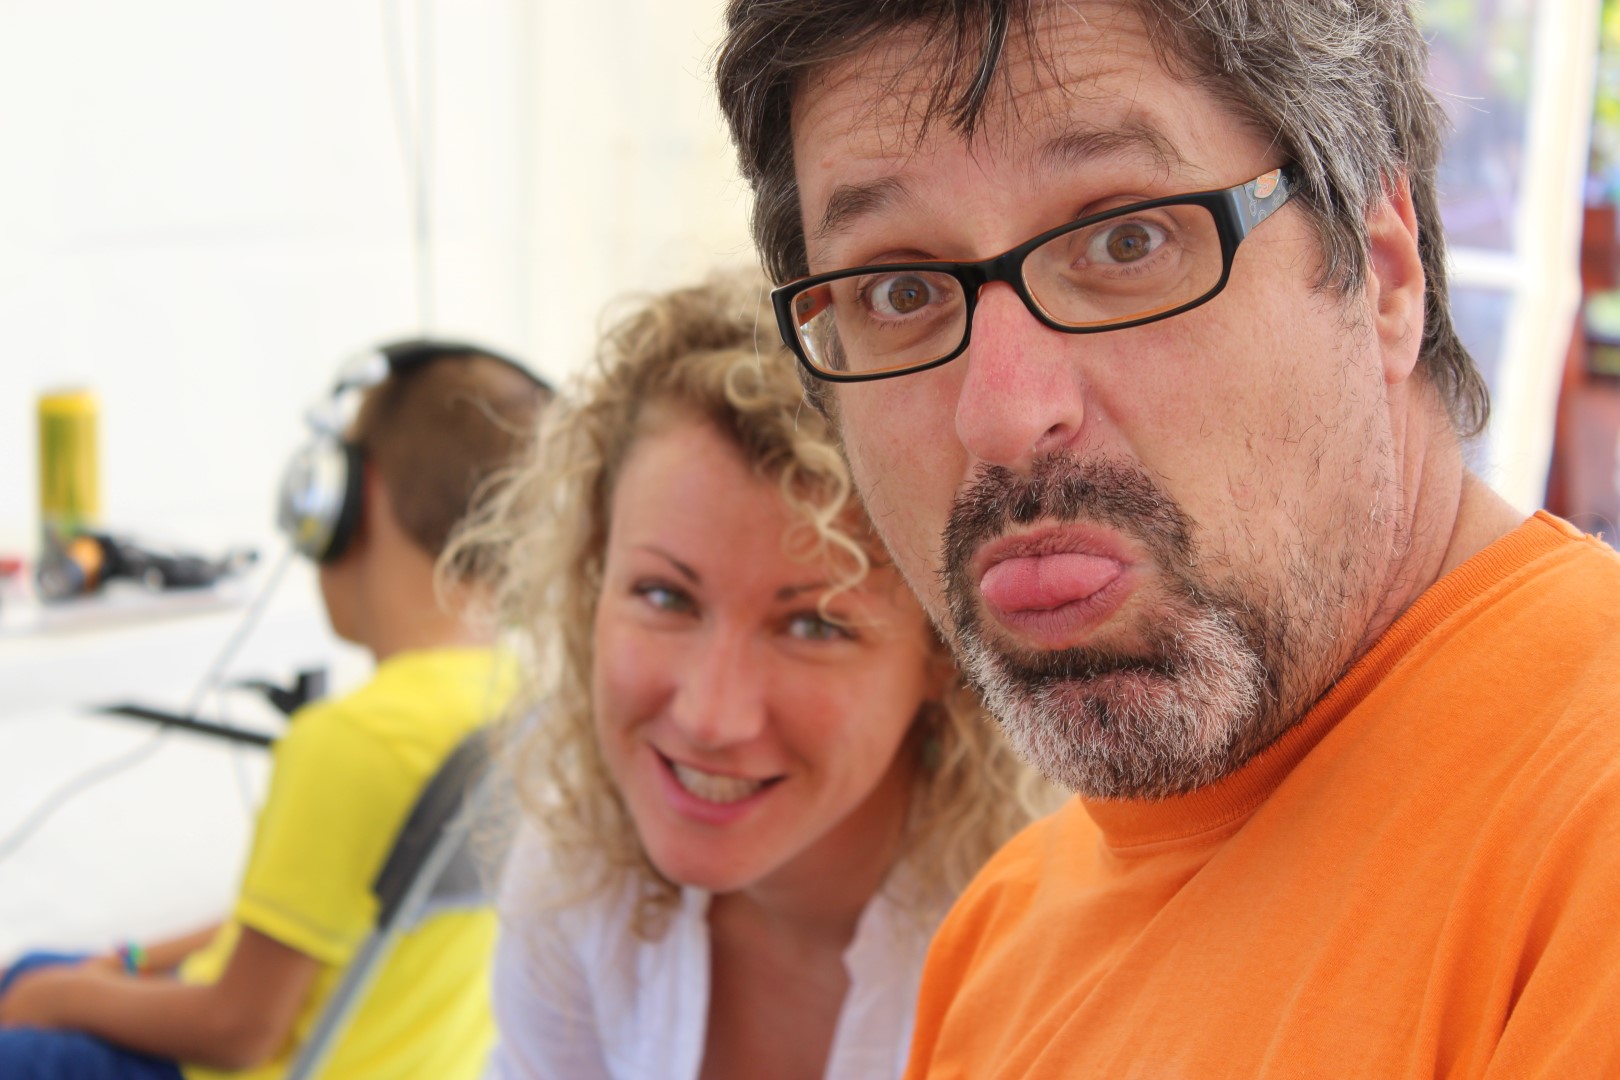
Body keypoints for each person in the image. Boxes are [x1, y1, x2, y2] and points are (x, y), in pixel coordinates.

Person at [715, 2, 1620, 1076]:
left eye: (1126, 240)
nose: (1001, 415)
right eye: (897, 290)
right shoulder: (998, 941)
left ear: (1381, 270)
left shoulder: (1588, 826)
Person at [453, 275, 1055, 1080]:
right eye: (664, 596)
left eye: (813, 625)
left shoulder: (1049, 958)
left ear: (948, 653)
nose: (710, 717)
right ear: (591, 584)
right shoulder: (577, 876)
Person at [0, 341, 550, 1080]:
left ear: (347, 499)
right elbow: (299, 927)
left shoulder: (351, 741)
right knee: (32, 971)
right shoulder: (527, 705)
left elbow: (239, 1030)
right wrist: (127, 962)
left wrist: (61, 999)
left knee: (29, 993)